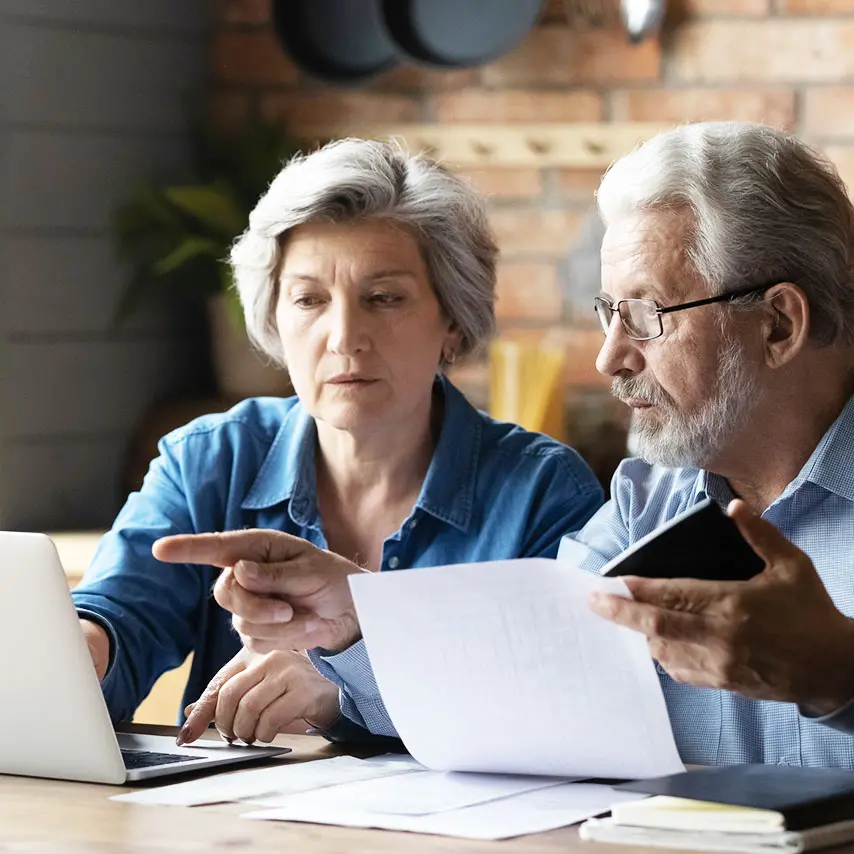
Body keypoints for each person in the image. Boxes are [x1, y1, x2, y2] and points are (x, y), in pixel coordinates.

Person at [157, 122, 854, 767]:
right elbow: (527, 673)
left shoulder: (557, 483)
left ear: (777, 325)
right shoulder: (652, 499)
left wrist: (838, 676)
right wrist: (355, 616)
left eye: (644, 315)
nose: (610, 357)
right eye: (609, 313)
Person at [72, 138, 604, 746]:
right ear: (275, 317)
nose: (345, 337)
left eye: (384, 298)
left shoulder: (543, 492)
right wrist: (84, 651)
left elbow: (562, 704)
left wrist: (349, 690)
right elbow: (122, 615)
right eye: (309, 300)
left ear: (453, 322)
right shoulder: (209, 460)